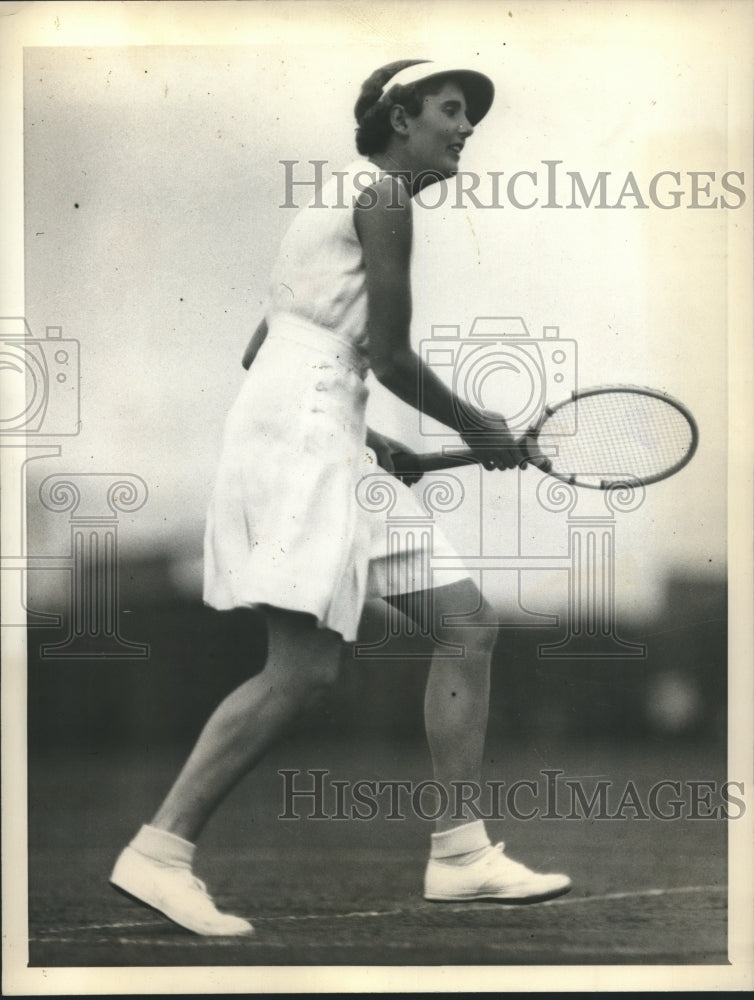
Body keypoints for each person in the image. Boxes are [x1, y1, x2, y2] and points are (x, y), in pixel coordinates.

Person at [110, 59, 571, 936]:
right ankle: (159, 853)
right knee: (305, 672)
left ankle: (462, 856)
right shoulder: (385, 198)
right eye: (450, 110)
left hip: (319, 429)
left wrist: (373, 441)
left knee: (467, 622)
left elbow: (272, 349)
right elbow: (388, 357)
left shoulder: (327, 203)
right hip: (304, 438)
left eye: (469, 114)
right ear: (400, 118)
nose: (465, 127)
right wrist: (477, 427)